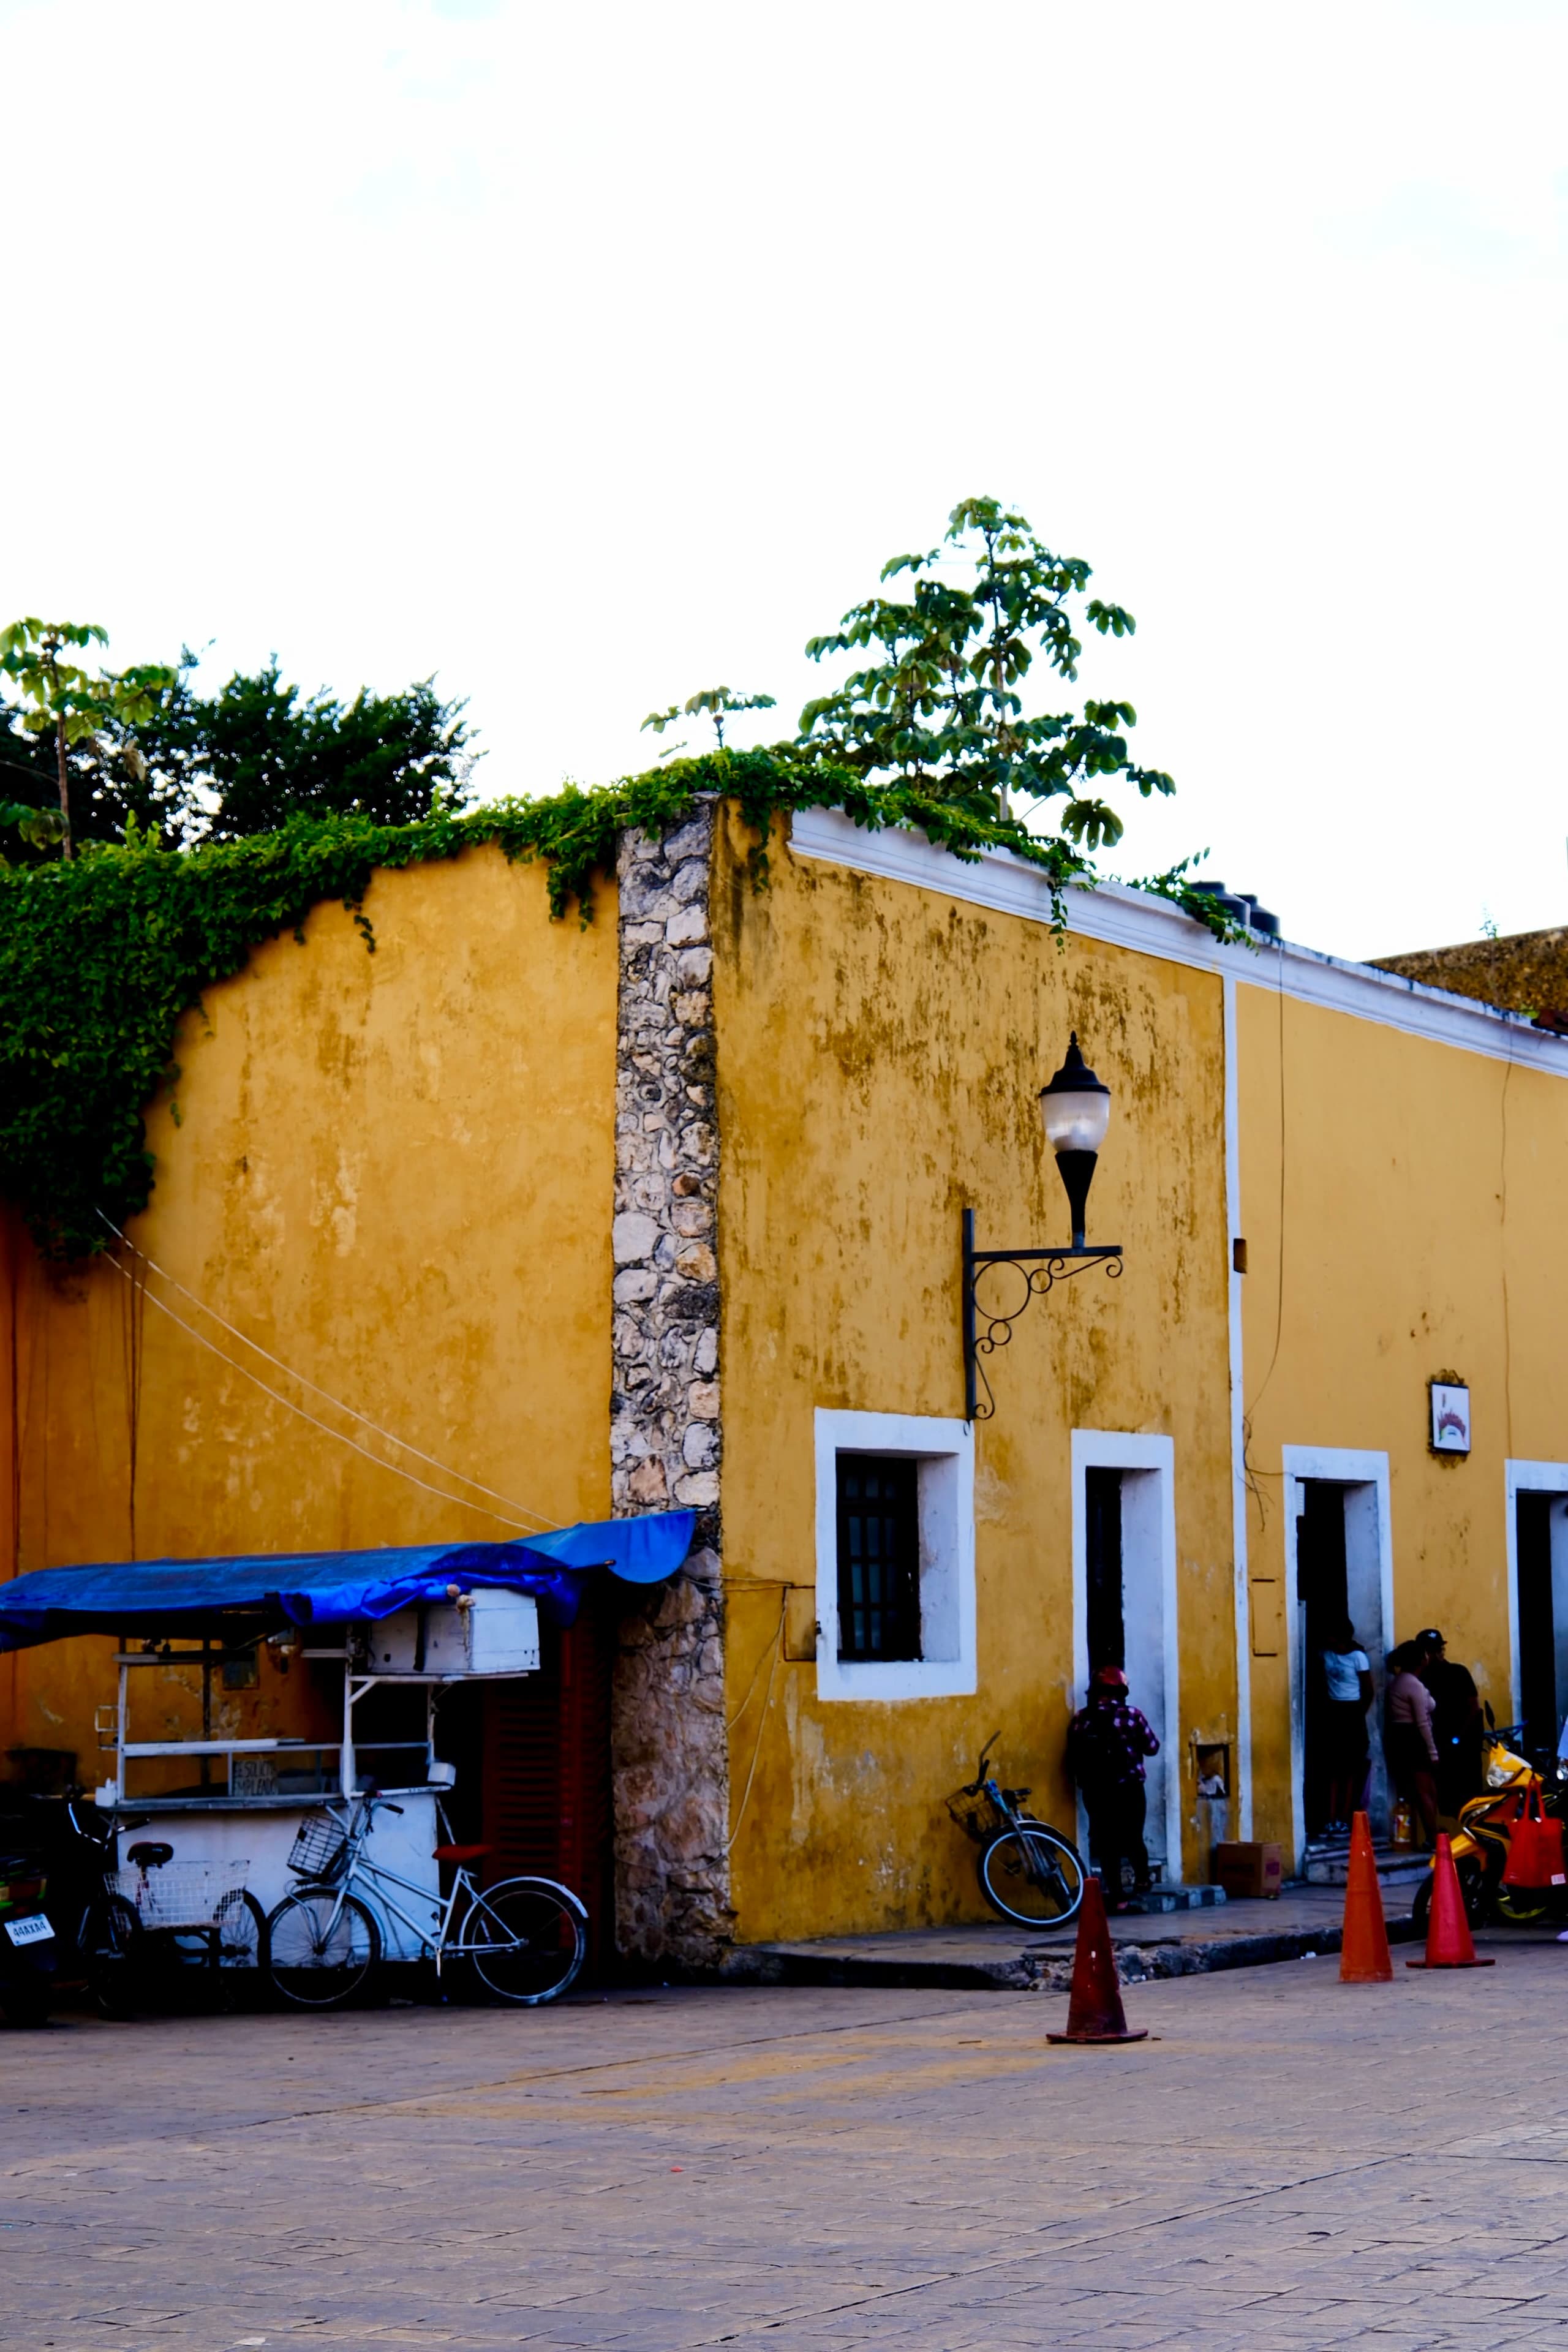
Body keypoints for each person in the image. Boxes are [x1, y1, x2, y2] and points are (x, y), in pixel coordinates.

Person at [1066, 1664, 1160, 1912]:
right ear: (1122, 1690)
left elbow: (1073, 1755)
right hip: (1129, 1787)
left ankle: (1118, 1897)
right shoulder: (1132, 1716)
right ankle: (1141, 1881)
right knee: (1133, 1836)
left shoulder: (1080, 1719)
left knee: (1105, 1840)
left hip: (1096, 1790)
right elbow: (1153, 1747)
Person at [1416, 1627, 1482, 1819]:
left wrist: (1459, 1738)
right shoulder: (1422, 1677)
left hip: (1460, 1746)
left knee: (1467, 1798)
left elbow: (1474, 1708)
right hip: (1439, 1745)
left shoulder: (1458, 1672)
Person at [1319, 1616, 1374, 1834]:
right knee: (1334, 1769)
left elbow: (1368, 1690)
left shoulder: (1358, 1657)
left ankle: (1343, 1817)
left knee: (1350, 1770)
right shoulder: (1326, 1654)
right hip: (1334, 1710)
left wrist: (1358, 1714)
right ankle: (1331, 1817)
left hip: (1351, 1711)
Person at [1386, 1639, 1439, 1849]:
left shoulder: (1402, 1681)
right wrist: (1432, 1750)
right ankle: (1432, 1838)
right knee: (1424, 1790)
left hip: (1402, 1736)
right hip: (1413, 1738)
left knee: (1424, 1790)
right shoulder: (1412, 1684)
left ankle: (1426, 1835)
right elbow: (1422, 1721)